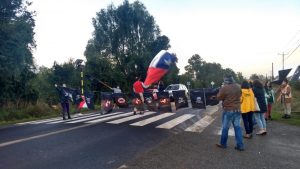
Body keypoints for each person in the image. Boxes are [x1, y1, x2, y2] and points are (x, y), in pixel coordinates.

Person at [216, 75, 244, 151]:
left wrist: (220, 91)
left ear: (226, 81)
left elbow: (219, 97)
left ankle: (223, 144)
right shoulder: (238, 86)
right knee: (237, 128)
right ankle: (240, 145)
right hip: (238, 109)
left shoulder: (224, 87)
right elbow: (240, 94)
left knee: (225, 128)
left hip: (228, 110)